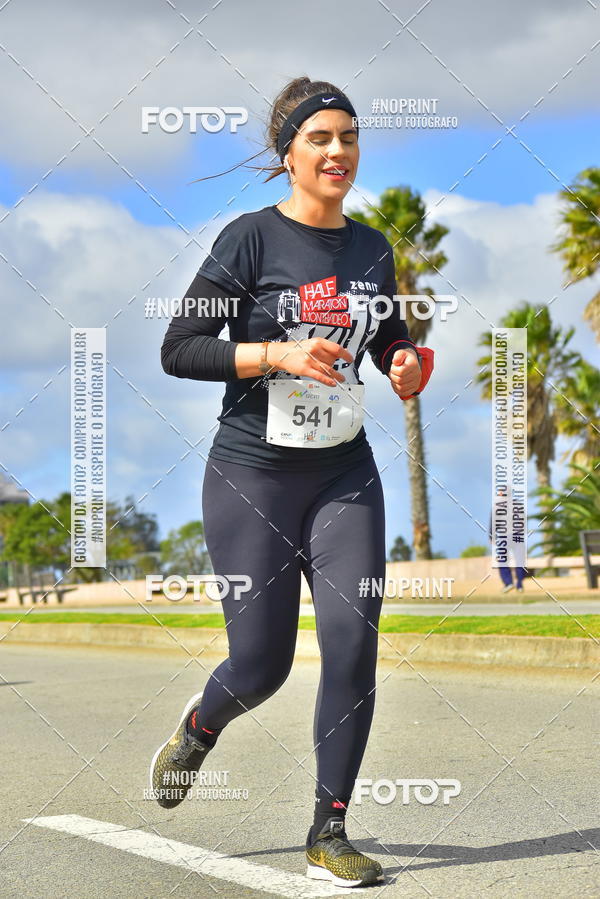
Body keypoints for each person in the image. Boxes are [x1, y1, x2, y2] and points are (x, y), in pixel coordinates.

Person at [150, 75, 433, 888]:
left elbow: (390, 341)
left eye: (348, 137)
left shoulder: (374, 247)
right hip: (252, 475)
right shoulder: (250, 239)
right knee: (262, 663)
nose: (338, 150)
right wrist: (273, 352)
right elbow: (178, 348)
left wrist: (403, 362)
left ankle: (329, 829)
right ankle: (201, 728)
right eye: (320, 139)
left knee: (352, 641)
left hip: (345, 472)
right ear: (288, 156)